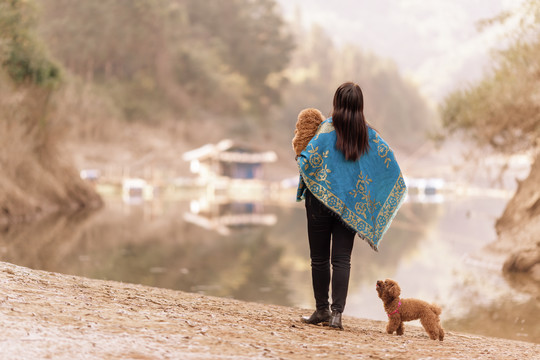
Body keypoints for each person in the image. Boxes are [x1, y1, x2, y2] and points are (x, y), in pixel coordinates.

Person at [295, 82, 407, 330]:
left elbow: (307, 160)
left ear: (336, 103)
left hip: (318, 206)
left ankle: (321, 310)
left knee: (319, 259)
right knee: (342, 260)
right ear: (360, 106)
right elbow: (390, 170)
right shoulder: (370, 137)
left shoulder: (326, 130)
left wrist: (299, 156)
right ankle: (336, 315)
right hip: (350, 209)